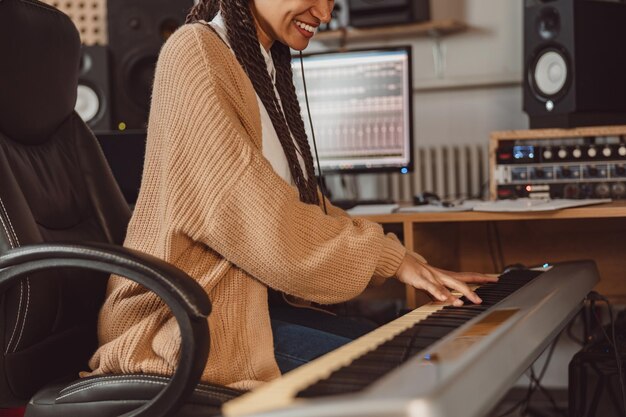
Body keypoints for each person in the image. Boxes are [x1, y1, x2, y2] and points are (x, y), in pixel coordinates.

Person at [85, 0, 496, 390]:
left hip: (249, 310)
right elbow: (259, 219)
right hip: (185, 323)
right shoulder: (194, 52)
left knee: (404, 348)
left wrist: (403, 259)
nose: (325, 13)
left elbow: (304, 206)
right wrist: (389, 260)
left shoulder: (262, 66)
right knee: (400, 369)